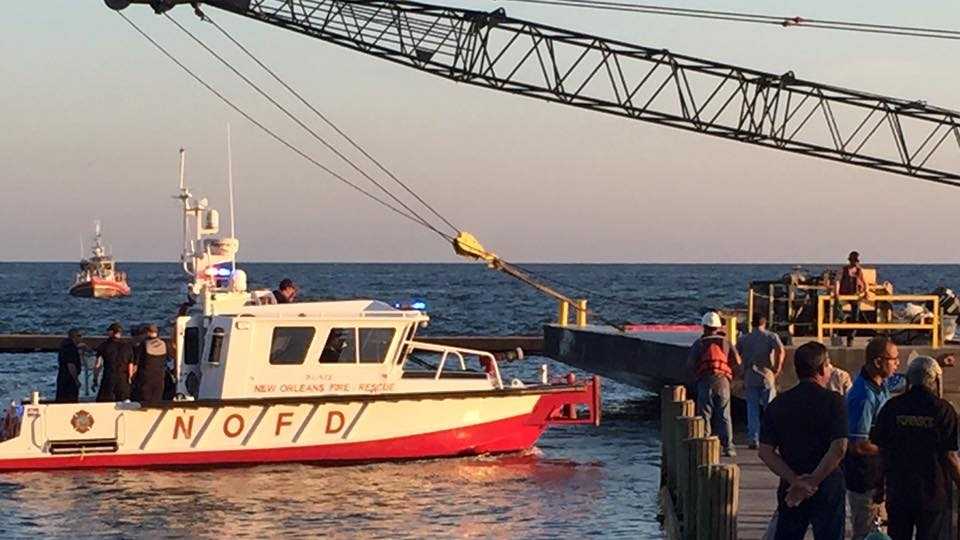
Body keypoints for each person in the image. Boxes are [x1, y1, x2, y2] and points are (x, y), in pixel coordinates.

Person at [758, 341, 847, 540]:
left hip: (791, 486)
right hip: (827, 484)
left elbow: (765, 451)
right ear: (822, 368)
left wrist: (796, 481)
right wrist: (813, 482)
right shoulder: (834, 401)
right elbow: (839, 448)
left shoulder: (778, 403)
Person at [871, 356, 960, 540]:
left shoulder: (892, 407)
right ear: (935, 380)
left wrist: (878, 488)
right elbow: (950, 456)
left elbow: (880, 453)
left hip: (898, 492)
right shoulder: (943, 410)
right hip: (932, 493)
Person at [844, 336, 903, 540]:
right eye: (893, 359)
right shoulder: (864, 396)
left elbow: (903, 379)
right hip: (865, 477)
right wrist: (891, 450)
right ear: (878, 362)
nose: (897, 363)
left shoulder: (880, 384)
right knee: (867, 531)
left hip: (878, 476)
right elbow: (857, 445)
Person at [688, 311, 742, 457]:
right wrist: (729, 373)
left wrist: (697, 376)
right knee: (724, 415)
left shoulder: (699, 343)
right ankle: (728, 447)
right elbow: (738, 361)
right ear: (718, 327)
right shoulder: (726, 342)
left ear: (704, 326)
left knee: (705, 414)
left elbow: (690, 364)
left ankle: (705, 445)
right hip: (723, 381)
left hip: (705, 380)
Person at [737, 315, 785, 449]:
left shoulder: (744, 338)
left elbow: (735, 354)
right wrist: (777, 367)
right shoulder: (771, 336)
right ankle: (771, 439)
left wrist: (741, 370)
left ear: (751, 323)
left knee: (752, 410)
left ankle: (753, 439)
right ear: (764, 323)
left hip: (750, 376)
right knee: (770, 409)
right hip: (766, 375)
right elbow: (780, 350)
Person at [96, 322, 135, 402]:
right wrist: (130, 378)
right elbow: (130, 365)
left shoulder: (104, 345)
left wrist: (95, 378)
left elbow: (97, 365)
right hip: (123, 379)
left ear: (111, 332)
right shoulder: (127, 346)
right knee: (124, 403)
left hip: (108, 378)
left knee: (104, 402)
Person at [836, 251, 868, 346]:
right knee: (837, 309)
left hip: (855, 296)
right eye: (853, 260)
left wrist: (866, 291)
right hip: (844, 294)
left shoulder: (859, 271)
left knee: (855, 317)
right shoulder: (843, 270)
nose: (854, 263)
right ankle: (841, 320)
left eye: (856, 261)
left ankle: (851, 338)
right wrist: (836, 293)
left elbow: (864, 282)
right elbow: (837, 281)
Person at [132, 324, 169, 404]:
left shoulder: (144, 344)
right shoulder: (163, 344)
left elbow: (136, 362)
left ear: (148, 333)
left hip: (146, 377)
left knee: (145, 400)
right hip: (159, 377)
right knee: (157, 399)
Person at [55, 329, 85, 403]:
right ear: (74, 337)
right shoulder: (71, 348)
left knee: (61, 398)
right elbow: (71, 365)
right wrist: (76, 380)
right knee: (70, 399)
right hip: (69, 379)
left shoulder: (64, 346)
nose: (81, 338)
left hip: (62, 377)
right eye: (79, 336)